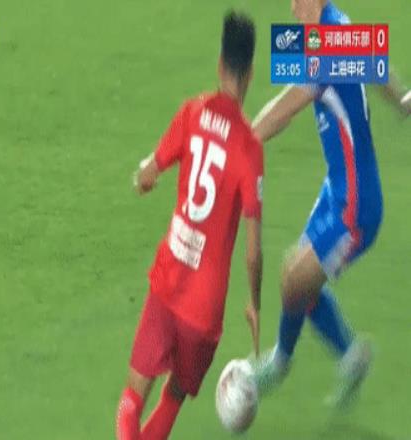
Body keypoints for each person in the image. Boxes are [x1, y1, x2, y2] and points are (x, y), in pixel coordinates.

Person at [252, 0, 409, 406]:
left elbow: (284, 110)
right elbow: (373, 63)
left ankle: (281, 362)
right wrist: (402, 100)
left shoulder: (328, 42)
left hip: (355, 206)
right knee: (294, 276)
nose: (293, 9)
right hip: (337, 188)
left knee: (296, 279)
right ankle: (350, 355)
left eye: (299, 1)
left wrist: (243, 141)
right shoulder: (335, 25)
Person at [116, 11, 263, 439]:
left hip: (169, 281)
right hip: (204, 309)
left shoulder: (192, 112)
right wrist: (254, 304)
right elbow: (253, 250)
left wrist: (143, 178)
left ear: (219, 64)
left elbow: (149, 173)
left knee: (131, 401)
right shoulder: (249, 148)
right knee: (174, 395)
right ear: (250, 74)